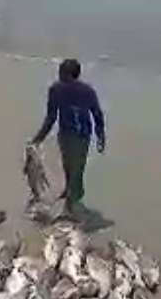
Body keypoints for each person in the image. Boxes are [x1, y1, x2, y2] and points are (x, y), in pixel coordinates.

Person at [31, 59, 106, 216]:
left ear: (73, 76)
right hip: (65, 133)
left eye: (63, 75)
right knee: (68, 165)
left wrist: (100, 135)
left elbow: (97, 114)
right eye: (60, 74)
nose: (60, 77)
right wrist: (38, 138)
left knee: (77, 168)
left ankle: (72, 201)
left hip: (82, 135)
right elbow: (51, 117)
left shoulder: (87, 91)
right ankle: (70, 193)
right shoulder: (55, 90)